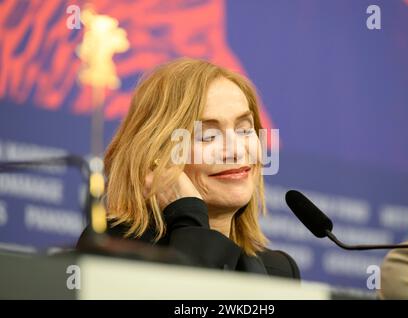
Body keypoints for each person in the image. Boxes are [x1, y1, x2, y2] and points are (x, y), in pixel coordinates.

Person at [77, 57, 300, 280]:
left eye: (244, 130)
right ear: (158, 155)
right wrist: (188, 214)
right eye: (208, 136)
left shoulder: (279, 271)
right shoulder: (114, 246)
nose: (236, 150)